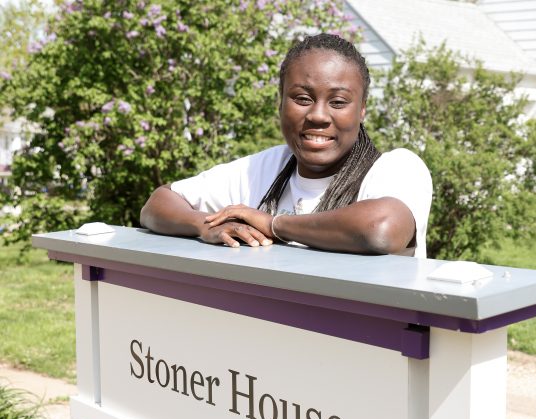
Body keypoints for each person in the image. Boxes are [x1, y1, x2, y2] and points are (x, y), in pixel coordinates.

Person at [140, 33, 432, 257]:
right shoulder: (263, 168)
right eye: (302, 99)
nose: (318, 115)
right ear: (280, 102)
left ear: (362, 110)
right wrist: (205, 225)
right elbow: (158, 204)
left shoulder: (396, 168)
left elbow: (381, 229)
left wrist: (273, 224)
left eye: (338, 102)